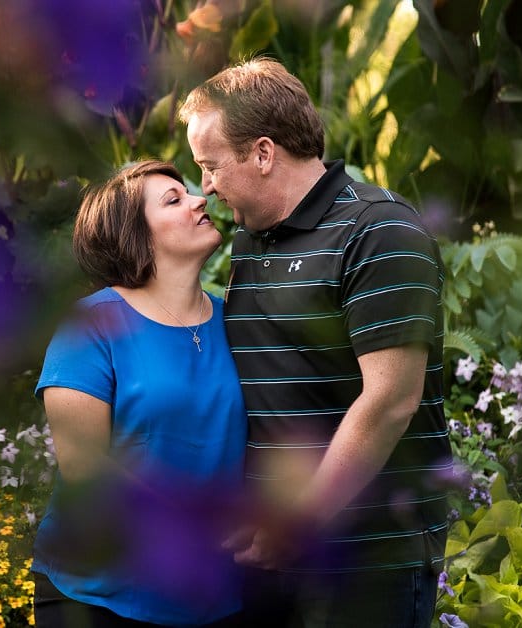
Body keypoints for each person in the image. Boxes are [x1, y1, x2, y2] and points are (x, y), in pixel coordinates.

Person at [179, 57, 451, 627]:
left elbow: (390, 400)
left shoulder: (379, 230)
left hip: (366, 558)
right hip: (265, 556)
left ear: (262, 153)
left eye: (209, 165)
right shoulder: (252, 243)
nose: (204, 185)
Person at [32, 160, 247, 627]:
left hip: (212, 597)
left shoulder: (235, 321)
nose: (199, 199)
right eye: (174, 200)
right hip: (98, 596)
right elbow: (84, 466)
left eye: (189, 192)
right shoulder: (91, 326)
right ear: (135, 236)